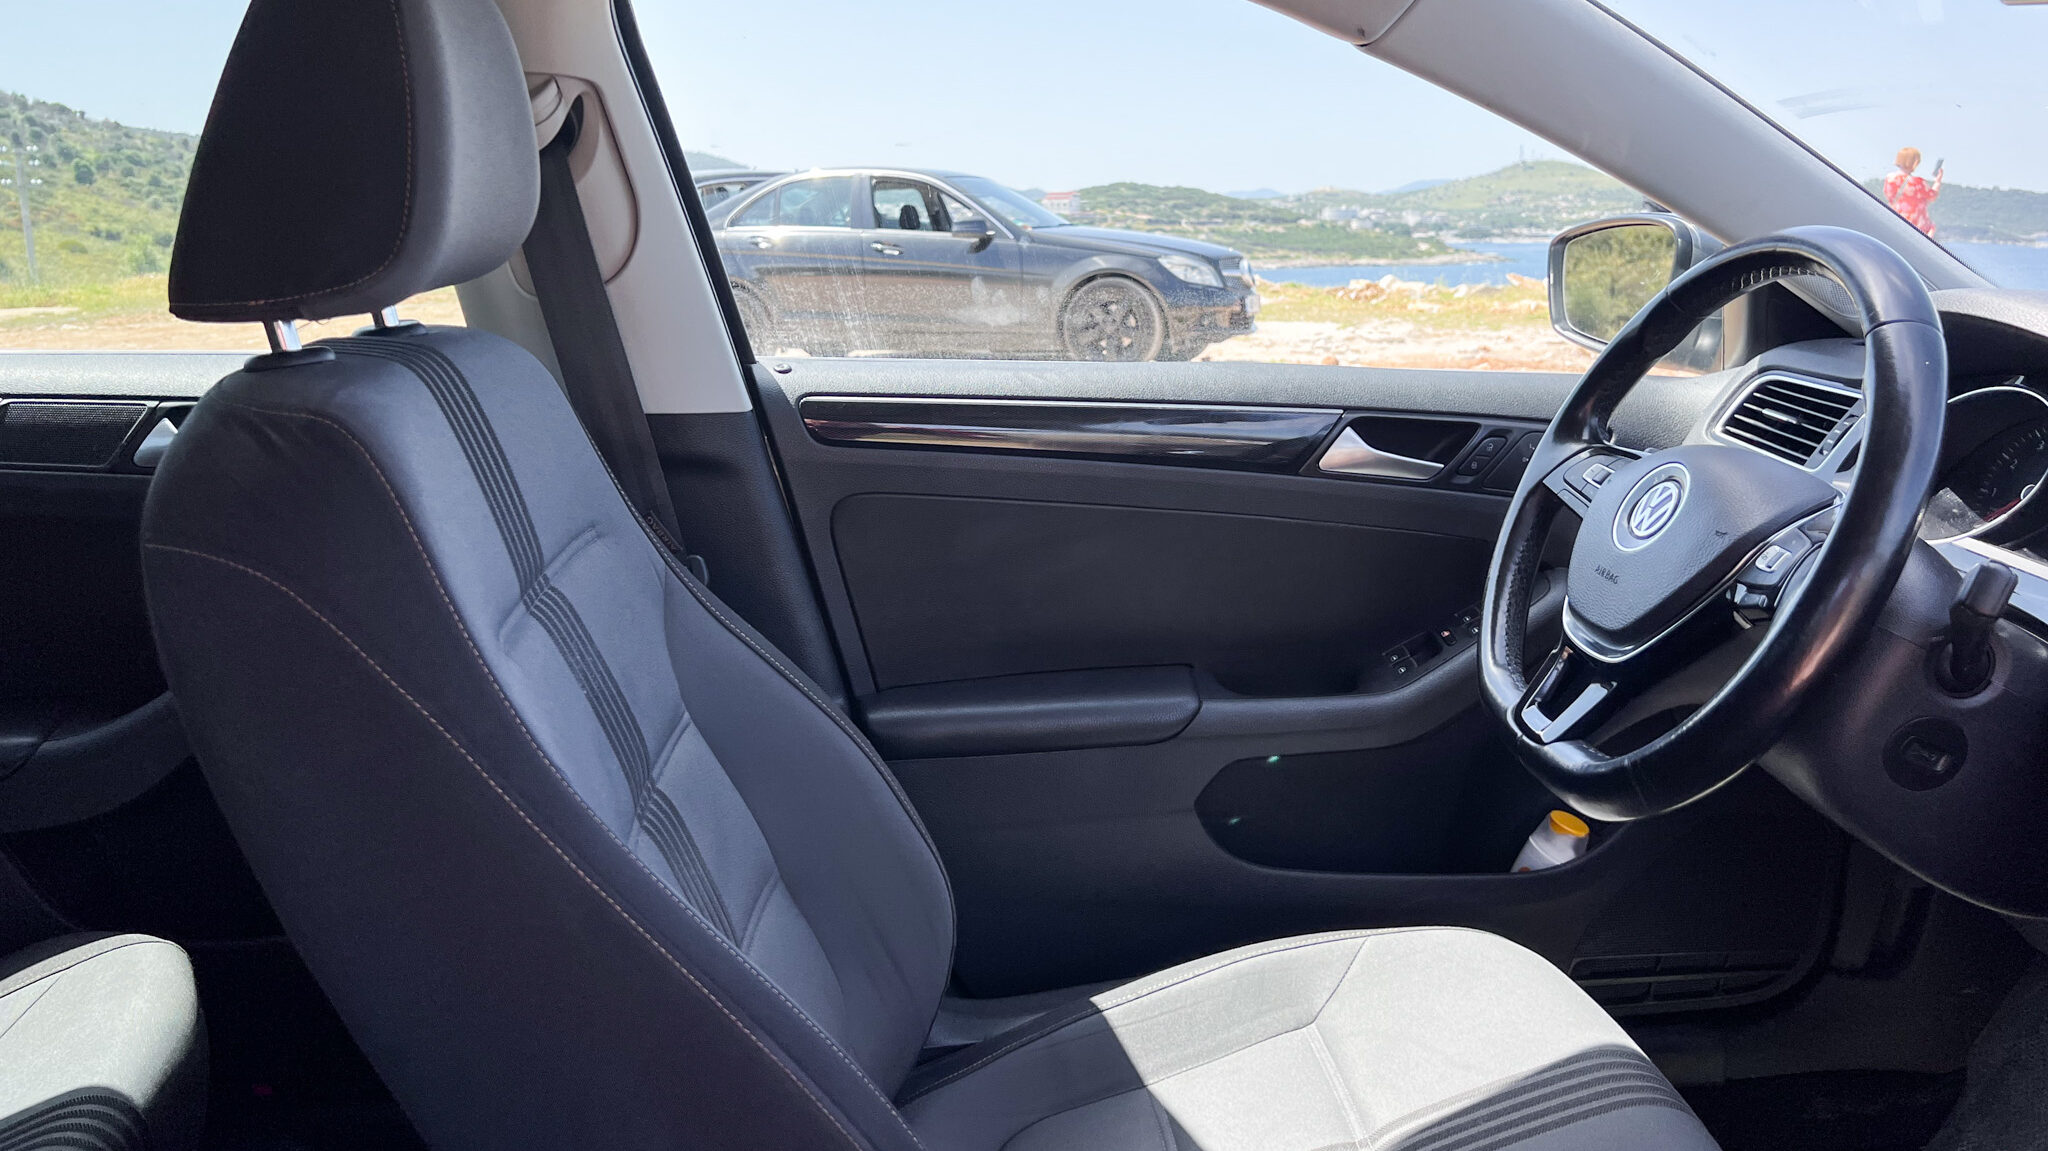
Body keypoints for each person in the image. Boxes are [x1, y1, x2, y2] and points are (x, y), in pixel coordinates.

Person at [1884, 146, 1942, 237]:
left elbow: (1889, 196)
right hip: (1916, 225)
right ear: (1914, 162)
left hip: (1895, 220)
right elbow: (1932, 196)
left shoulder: (1890, 178)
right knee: (1931, 229)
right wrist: (1938, 181)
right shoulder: (1918, 182)